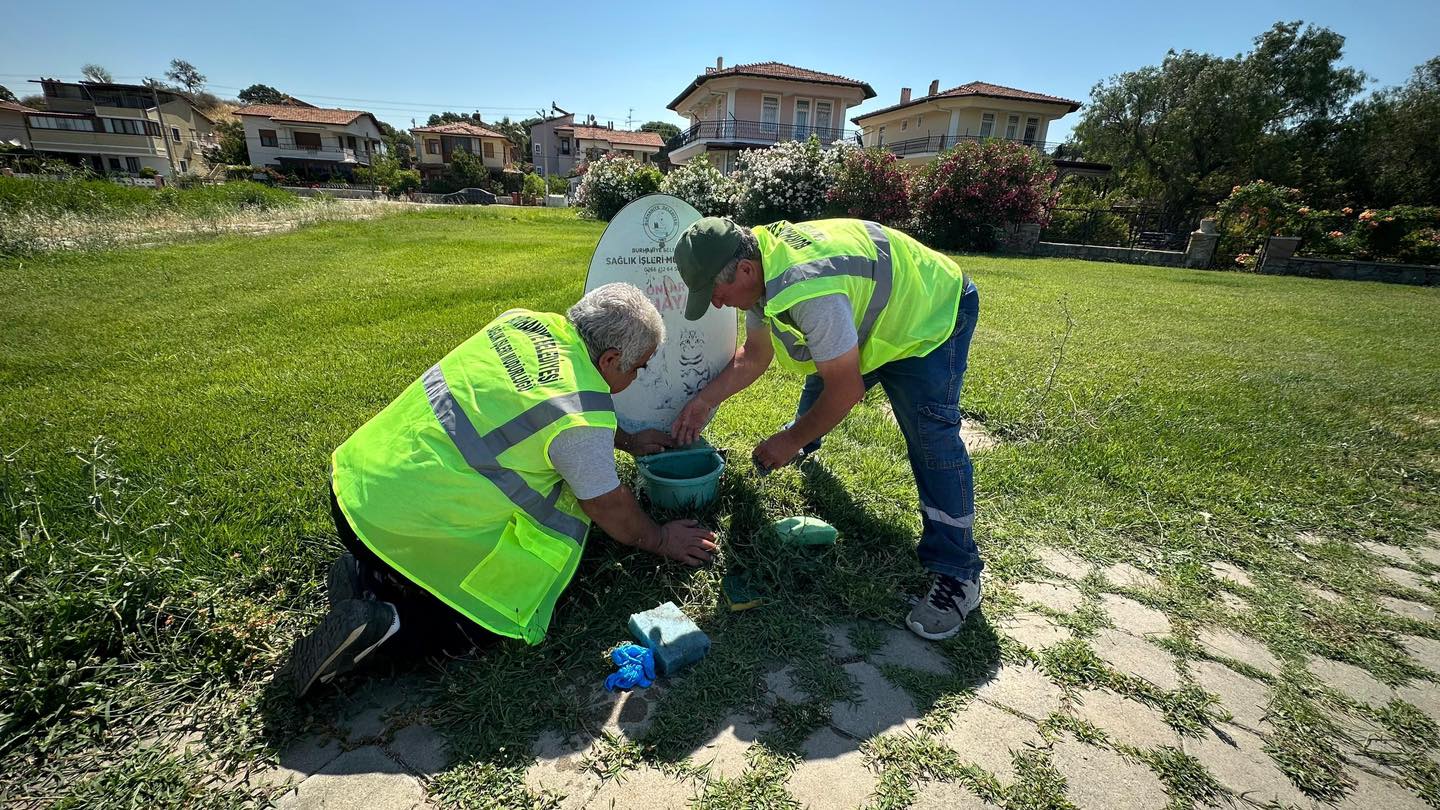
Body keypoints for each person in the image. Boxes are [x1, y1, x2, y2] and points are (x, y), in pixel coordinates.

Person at [291, 283, 718, 698]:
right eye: (637, 367)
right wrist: (661, 538)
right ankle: (386, 624)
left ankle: (367, 575)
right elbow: (610, 506)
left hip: (354, 486)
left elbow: (536, 407)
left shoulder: (522, 324)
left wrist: (623, 440)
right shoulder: (581, 420)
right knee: (483, 626)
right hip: (397, 529)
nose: (639, 374)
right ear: (609, 360)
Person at [670, 217, 981, 641]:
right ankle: (801, 439)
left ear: (744, 271)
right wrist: (704, 400)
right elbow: (756, 355)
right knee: (825, 367)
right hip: (876, 310)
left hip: (930, 311)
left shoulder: (808, 289)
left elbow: (846, 388)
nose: (719, 305)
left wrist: (790, 439)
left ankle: (958, 573)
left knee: (932, 438)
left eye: (717, 294)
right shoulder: (758, 260)